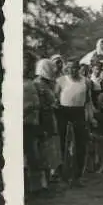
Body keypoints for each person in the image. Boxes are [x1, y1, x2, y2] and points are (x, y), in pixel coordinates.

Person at [55, 59, 94, 187]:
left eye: (75, 68)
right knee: (62, 143)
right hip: (63, 113)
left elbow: (88, 101)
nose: (72, 70)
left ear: (79, 68)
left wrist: (90, 117)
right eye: (70, 67)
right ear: (66, 68)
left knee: (80, 145)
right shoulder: (60, 81)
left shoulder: (86, 82)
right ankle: (62, 176)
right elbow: (55, 99)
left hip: (79, 113)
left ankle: (77, 176)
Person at [34, 59, 62, 189]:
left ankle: (49, 176)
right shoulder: (38, 84)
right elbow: (40, 104)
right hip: (43, 118)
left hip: (50, 116)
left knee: (49, 146)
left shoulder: (47, 84)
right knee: (43, 147)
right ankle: (43, 180)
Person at [23, 51, 43, 195]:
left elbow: (36, 103)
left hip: (29, 123)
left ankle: (36, 187)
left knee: (32, 154)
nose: (24, 66)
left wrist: (26, 110)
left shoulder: (31, 83)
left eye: (27, 64)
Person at [88, 93, 103, 172]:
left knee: (100, 151)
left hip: (101, 134)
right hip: (95, 134)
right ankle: (93, 166)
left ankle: (98, 165)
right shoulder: (94, 112)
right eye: (101, 101)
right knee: (94, 150)